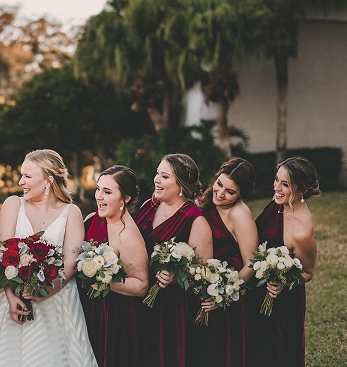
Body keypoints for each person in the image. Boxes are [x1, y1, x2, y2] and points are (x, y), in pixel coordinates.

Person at [0, 149, 97, 367]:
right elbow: (2, 253)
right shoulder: (13, 204)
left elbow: (71, 262)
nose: (21, 181)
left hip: (57, 297)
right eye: (21, 175)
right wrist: (10, 294)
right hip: (8, 297)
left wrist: (47, 291)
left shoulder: (71, 212)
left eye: (28, 176)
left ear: (48, 180)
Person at [134, 153, 213, 367]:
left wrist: (177, 276)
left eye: (165, 177)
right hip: (140, 297)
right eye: (157, 174)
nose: (156, 180)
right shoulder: (148, 206)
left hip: (173, 308)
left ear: (181, 185)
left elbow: (205, 273)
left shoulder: (195, 220)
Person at [245, 156, 319, 367]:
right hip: (257, 288)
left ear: (302, 189)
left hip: (281, 302)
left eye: (285, 184)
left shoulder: (301, 232)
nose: (276, 187)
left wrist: (282, 283)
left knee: (274, 352)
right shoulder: (279, 203)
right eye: (276, 179)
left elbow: (308, 272)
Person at [80, 165, 149, 367]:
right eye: (98, 189)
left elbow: (142, 285)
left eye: (107, 192)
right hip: (86, 307)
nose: (99, 197)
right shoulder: (92, 219)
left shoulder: (127, 235)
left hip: (113, 317)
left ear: (125, 198)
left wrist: (104, 281)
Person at [192, 157, 257, 367]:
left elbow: (251, 263)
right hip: (203, 287)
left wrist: (221, 294)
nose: (220, 193)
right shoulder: (207, 199)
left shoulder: (240, 214)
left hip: (230, 297)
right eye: (219, 184)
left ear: (241, 194)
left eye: (230, 192)